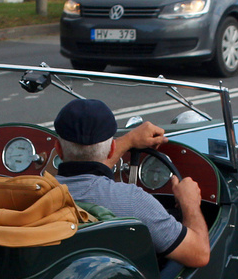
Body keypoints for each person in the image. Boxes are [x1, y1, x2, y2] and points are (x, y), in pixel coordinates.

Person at [53, 99, 211, 268]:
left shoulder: (37, 194)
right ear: (112, 149)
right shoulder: (133, 202)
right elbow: (199, 255)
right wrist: (190, 204)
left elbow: (86, 173)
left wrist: (129, 141)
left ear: (58, 149)